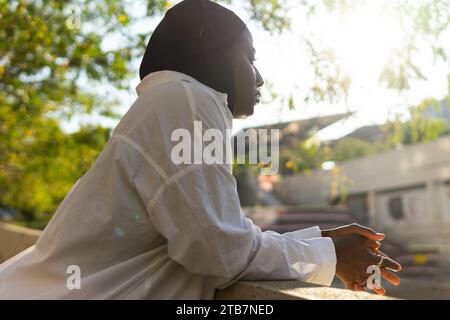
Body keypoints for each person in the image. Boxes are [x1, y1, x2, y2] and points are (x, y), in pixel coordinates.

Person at [0, 0, 400, 299]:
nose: (259, 78)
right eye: (250, 57)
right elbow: (218, 253)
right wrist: (330, 253)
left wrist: (323, 238)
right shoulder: (188, 99)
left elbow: (211, 233)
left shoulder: (170, 102)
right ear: (210, 50)